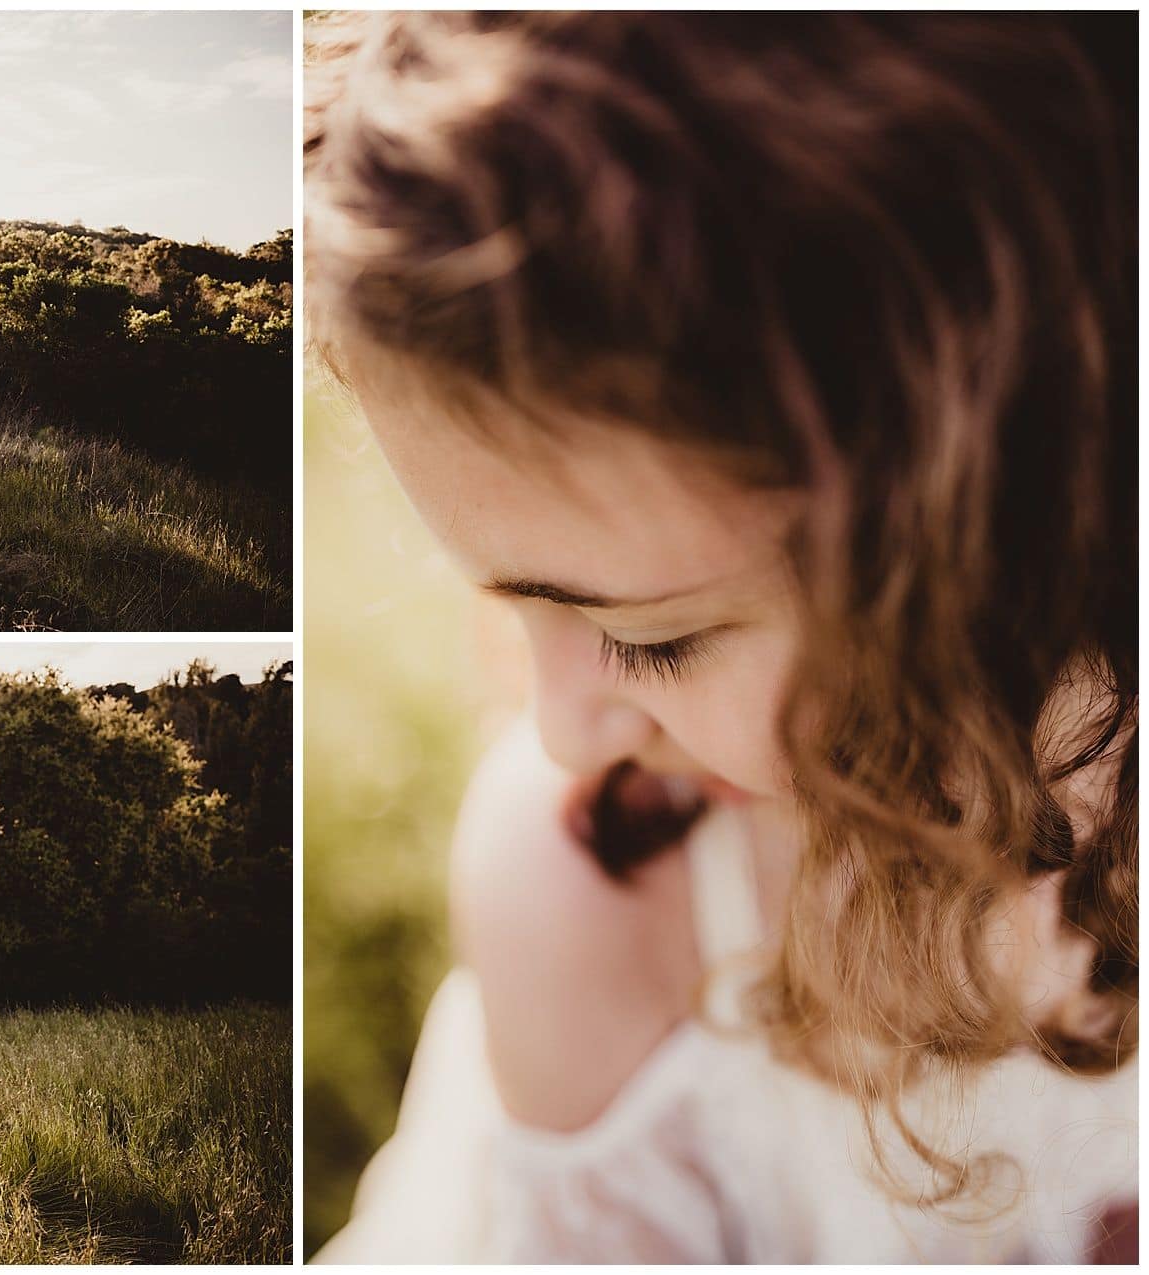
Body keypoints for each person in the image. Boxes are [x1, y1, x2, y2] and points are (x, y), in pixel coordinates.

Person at [305, 12, 1135, 1264]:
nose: (558, 731)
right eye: (511, 605)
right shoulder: (603, 889)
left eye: (653, 641)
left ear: (987, 531)